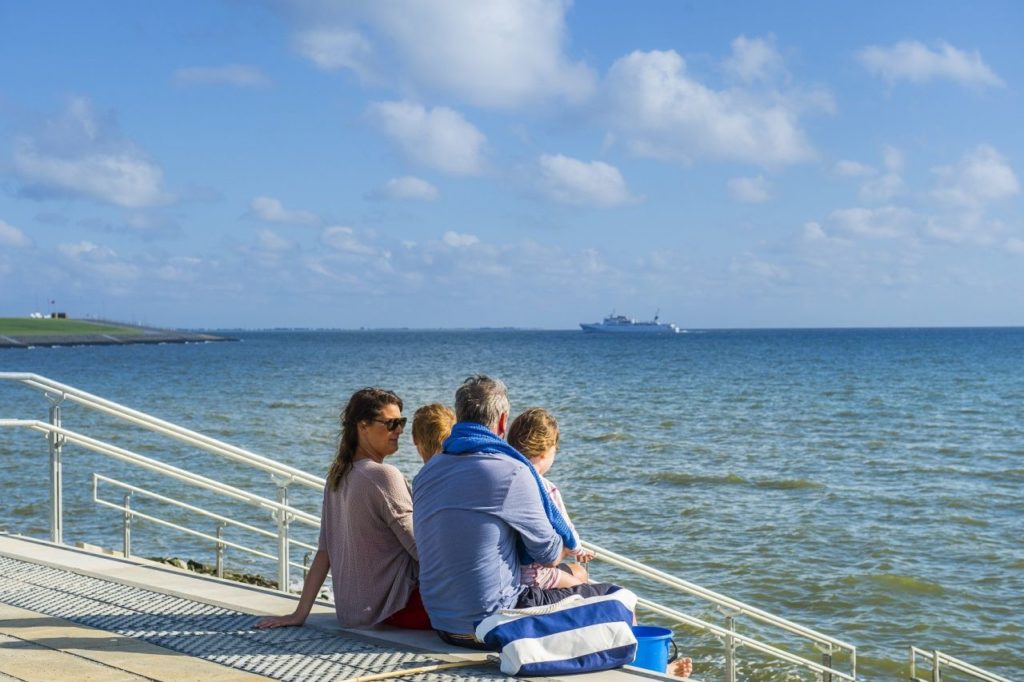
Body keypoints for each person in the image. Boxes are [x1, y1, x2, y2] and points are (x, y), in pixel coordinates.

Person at [413, 375, 623, 650]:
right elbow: (548, 555)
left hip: (442, 623)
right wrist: (565, 545)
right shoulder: (511, 472)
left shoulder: (427, 472)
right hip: (493, 623)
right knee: (618, 599)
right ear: (502, 422)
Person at [256, 387, 430, 631]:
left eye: (401, 422)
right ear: (363, 426)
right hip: (398, 608)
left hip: (356, 613)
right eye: (390, 423)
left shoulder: (338, 477)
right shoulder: (384, 476)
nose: (399, 429)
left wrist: (299, 613)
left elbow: (324, 553)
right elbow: (421, 550)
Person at [507, 407, 595, 588]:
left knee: (579, 573)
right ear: (544, 452)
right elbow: (565, 529)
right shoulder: (547, 489)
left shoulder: (506, 478)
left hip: (509, 569)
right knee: (582, 589)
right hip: (534, 574)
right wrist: (578, 549)